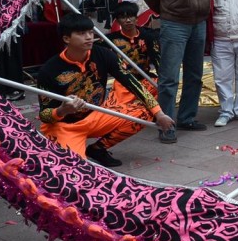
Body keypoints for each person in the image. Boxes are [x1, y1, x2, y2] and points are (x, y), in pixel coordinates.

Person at [37, 13, 175, 167]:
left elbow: (132, 83)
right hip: (65, 127)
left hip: (97, 114)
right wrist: (62, 111)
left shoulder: (102, 54)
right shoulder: (49, 70)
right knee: (75, 172)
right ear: (66, 38)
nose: (89, 37)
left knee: (145, 112)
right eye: (82, 34)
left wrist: (160, 114)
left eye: (90, 32)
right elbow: (44, 115)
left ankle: (97, 149)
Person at [141, 0, 214, 140]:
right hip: (174, 24)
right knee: (169, 77)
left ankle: (187, 117)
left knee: (195, 74)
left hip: (198, 24)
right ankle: (166, 125)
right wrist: (166, 11)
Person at [102, 1, 159, 87]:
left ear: (136, 18)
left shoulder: (148, 36)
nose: (128, 20)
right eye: (123, 17)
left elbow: (158, 61)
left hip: (147, 79)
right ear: (117, 21)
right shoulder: (110, 40)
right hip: (124, 84)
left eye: (130, 16)